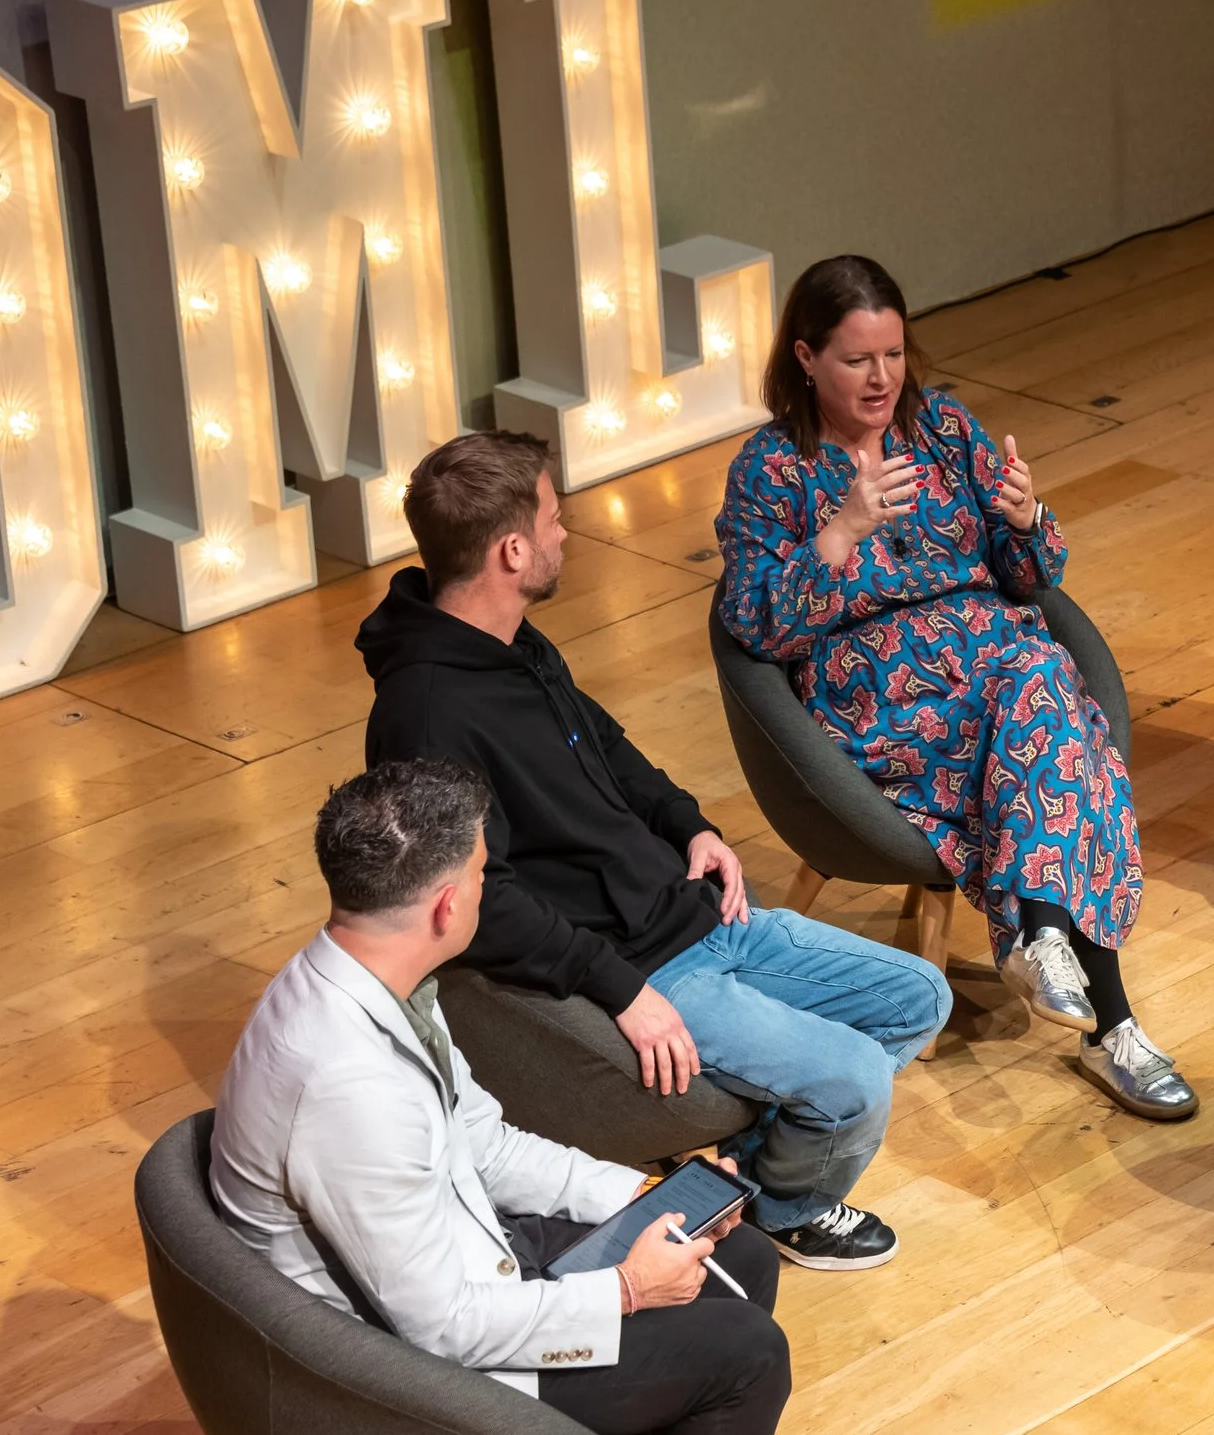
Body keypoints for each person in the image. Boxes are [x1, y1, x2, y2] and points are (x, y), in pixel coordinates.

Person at [357, 430, 951, 1271]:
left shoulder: (514, 643)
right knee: (855, 1079)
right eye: (555, 520)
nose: (569, 535)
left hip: (700, 915)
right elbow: (479, 903)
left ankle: (739, 1174)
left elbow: (604, 745)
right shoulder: (426, 713)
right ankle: (784, 1206)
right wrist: (622, 990)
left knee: (918, 996)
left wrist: (688, 824)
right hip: (645, 962)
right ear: (513, 548)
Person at [211, 759, 789, 1435]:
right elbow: (441, 1328)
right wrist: (624, 1290)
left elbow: (483, 1142)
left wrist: (642, 1197)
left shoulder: (378, 980)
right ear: (450, 903)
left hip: (463, 1257)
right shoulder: (345, 1086)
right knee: (746, 1357)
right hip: (412, 1378)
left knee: (739, 1259)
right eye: (485, 873)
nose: (492, 888)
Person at [713, 254, 1196, 1121]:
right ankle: (1101, 1011)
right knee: (1054, 719)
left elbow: (1030, 576)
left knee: (1041, 682)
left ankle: (1049, 942)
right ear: (806, 358)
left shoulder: (940, 425)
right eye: (858, 359)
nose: (882, 378)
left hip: (996, 665)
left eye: (894, 355)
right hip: (884, 695)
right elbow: (753, 626)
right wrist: (844, 529)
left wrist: (1022, 517)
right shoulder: (770, 470)